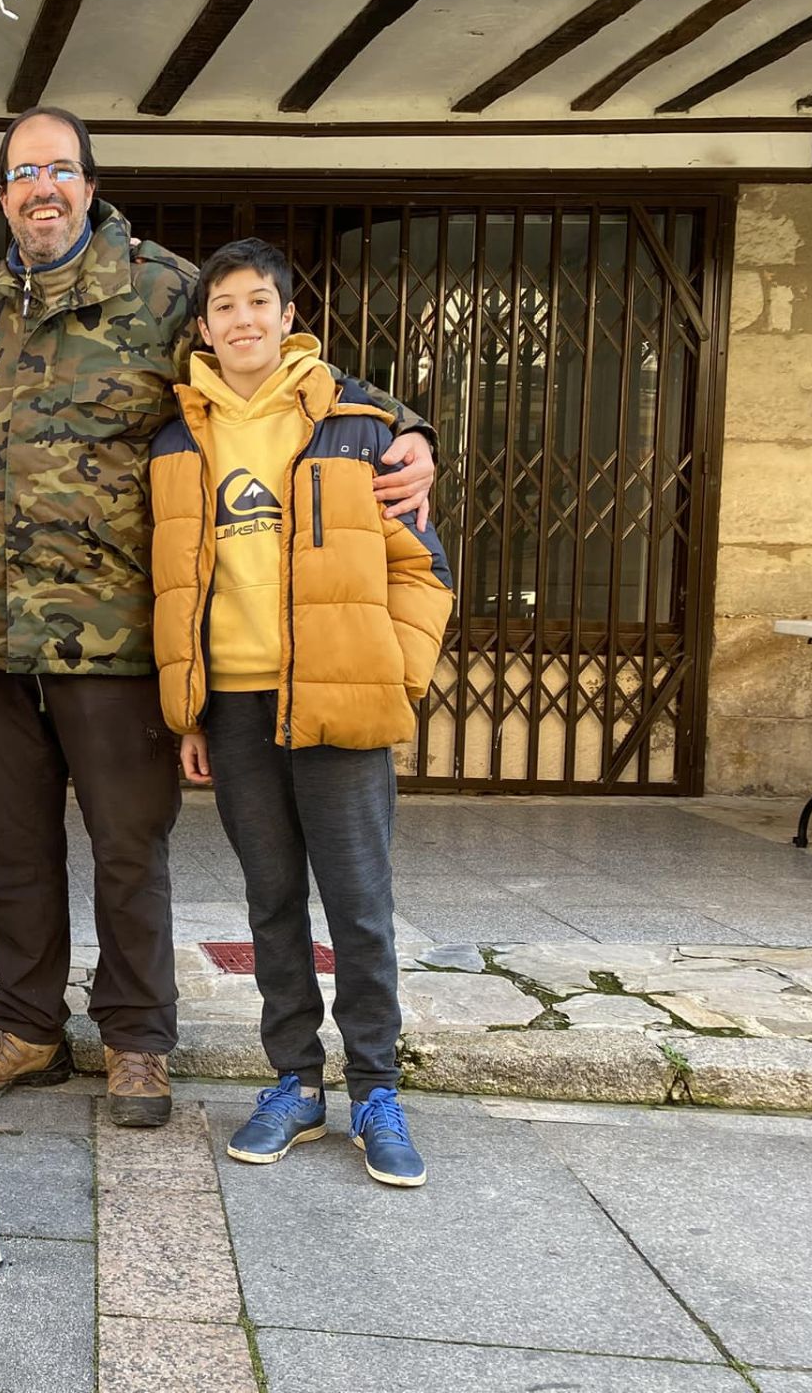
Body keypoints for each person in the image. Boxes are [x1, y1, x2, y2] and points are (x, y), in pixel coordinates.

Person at [0, 107, 437, 1129]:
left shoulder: (164, 289)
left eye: (59, 170)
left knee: (128, 844)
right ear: (2, 194)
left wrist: (408, 428)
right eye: (23, 172)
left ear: (88, 183)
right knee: (11, 847)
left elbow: (275, 373)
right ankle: (27, 1024)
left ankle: (136, 1041)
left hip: (117, 637)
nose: (42, 188)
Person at [156, 237, 454, 1185]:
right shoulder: (175, 441)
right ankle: (294, 1080)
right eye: (224, 308)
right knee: (272, 900)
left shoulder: (360, 426)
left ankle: (376, 1088)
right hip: (237, 706)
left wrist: (390, 673)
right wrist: (192, 710)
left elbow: (424, 569)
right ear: (202, 328)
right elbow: (176, 584)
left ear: (290, 318)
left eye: (260, 304)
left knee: (360, 906)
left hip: (338, 700)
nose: (242, 321)